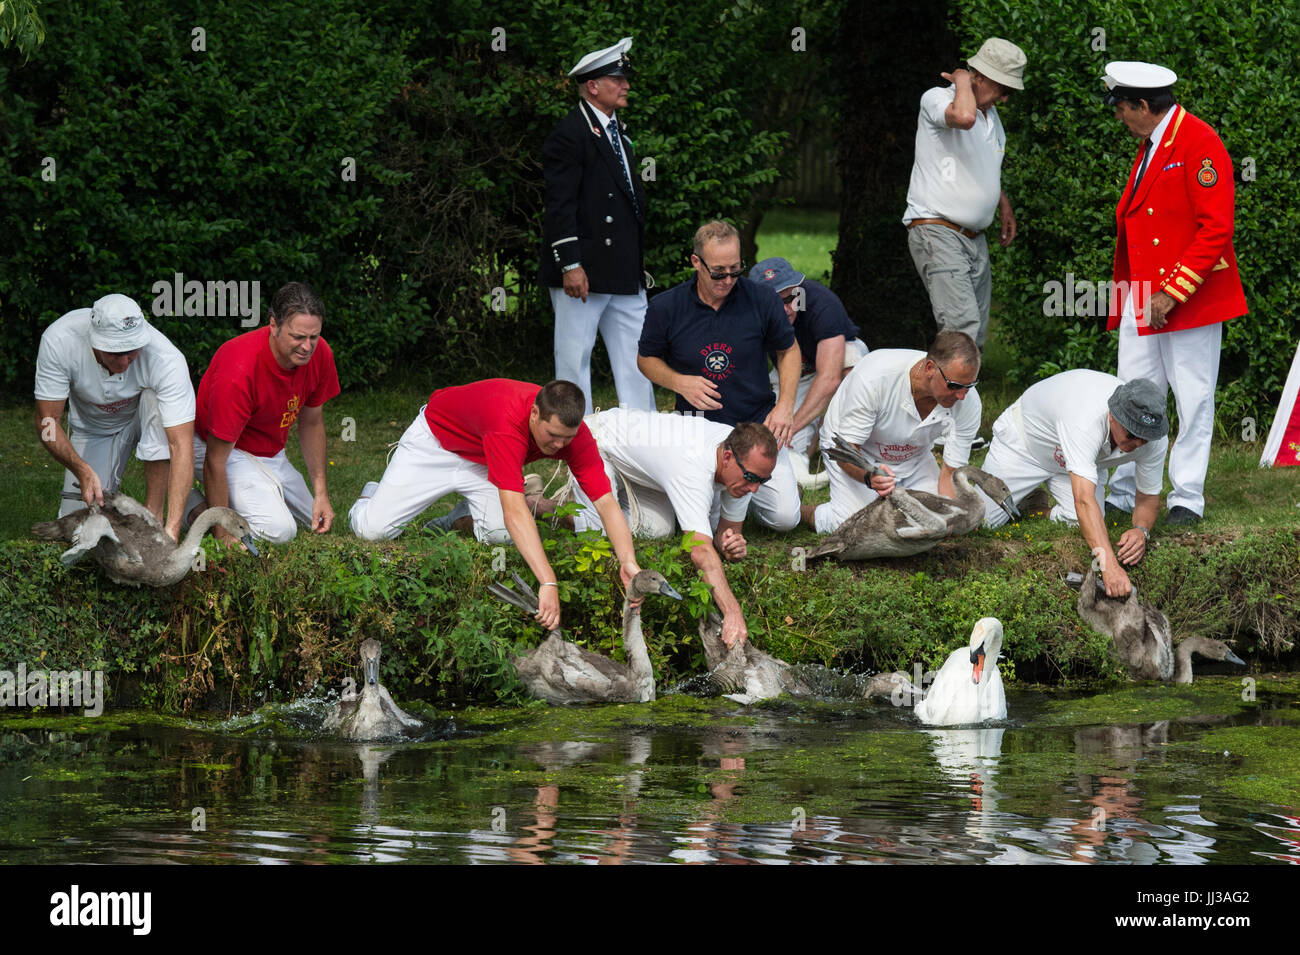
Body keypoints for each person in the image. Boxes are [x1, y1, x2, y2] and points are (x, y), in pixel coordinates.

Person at [349, 379, 641, 631]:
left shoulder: (574, 437)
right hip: (436, 444)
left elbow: (605, 502)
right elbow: (514, 511)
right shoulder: (507, 421)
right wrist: (548, 582)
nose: (559, 446)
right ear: (535, 413)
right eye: (552, 436)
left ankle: (460, 515)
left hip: (485, 460)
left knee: (500, 535)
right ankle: (371, 495)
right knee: (373, 531)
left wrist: (628, 560)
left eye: (567, 438)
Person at [1100, 61, 1248, 526]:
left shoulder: (1199, 142)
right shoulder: (1154, 143)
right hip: (1143, 295)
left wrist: (1172, 292)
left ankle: (1187, 497)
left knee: (1193, 397)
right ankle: (1125, 492)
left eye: (1122, 108)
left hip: (1186, 299)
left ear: (1143, 105)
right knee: (1130, 394)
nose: (1119, 118)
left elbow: (1216, 229)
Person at [563, 409, 777, 648]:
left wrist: (730, 545)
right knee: (598, 535)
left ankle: (595, 503)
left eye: (762, 480)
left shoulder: (744, 460)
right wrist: (732, 612)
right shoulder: (694, 466)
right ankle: (551, 508)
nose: (755, 489)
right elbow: (700, 551)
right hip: (598, 441)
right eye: (750, 478)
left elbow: (724, 535)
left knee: (657, 530)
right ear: (726, 457)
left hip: (645, 469)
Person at [637, 220, 802, 530]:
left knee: (785, 519)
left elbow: (789, 351)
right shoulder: (666, 307)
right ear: (696, 262)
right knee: (694, 525)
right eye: (718, 272)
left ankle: (753, 490)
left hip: (755, 426)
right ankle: (730, 495)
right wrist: (678, 381)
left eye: (735, 270)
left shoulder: (762, 299)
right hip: (697, 432)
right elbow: (645, 359)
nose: (728, 280)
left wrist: (785, 405)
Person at [540, 36, 655, 415]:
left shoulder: (616, 131)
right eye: (617, 79)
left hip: (622, 271)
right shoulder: (569, 134)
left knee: (639, 360)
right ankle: (577, 445)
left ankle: (645, 443)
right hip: (583, 272)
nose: (626, 85)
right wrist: (570, 264)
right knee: (574, 364)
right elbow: (560, 205)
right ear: (593, 86)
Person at [980, 372, 1168, 598]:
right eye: (1131, 434)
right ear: (1113, 417)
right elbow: (1084, 500)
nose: (1137, 444)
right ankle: (1019, 493)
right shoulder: (1085, 417)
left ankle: (1033, 506)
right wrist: (1108, 566)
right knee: (983, 522)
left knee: (1081, 524)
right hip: (1025, 446)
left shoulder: (1154, 441)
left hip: (1079, 463)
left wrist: (1141, 530)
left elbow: (1148, 497)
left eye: (1144, 438)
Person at [33, 293, 195, 541]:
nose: (125, 361)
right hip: (94, 429)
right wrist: (82, 470)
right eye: (114, 352)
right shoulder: (60, 339)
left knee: (154, 401)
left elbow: (180, 444)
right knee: (79, 531)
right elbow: (46, 422)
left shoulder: (166, 359)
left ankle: (155, 518)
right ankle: (195, 505)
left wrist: (171, 533)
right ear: (94, 341)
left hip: (146, 418)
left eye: (132, 351)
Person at [902, 37, 1026, 349]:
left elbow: (980, 166)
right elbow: (964, 118)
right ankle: (945, 396)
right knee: (961, 329)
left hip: (974, 238)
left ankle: (960, 397)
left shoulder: (992, 117)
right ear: (980, 77)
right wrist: (961, 81)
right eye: (1004, 90)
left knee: (975, 334)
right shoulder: (937, 99)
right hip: (937, 229)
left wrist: (1002, 203)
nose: (1006, 99)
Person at [192, 282, 339, 544]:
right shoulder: (239, 370)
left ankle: (255, 497)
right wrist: (223, 533)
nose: (307, 347)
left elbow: (312, 422)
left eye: (313, 337)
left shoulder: (321, 353)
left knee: (315, 520)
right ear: (273, 325)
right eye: (298, 337)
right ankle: (197, 510)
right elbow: (215, 461)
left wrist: (321, 492)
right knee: (281, 531)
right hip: (224, 448)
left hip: (270, 450)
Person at [803, 331, 982, 534]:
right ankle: (805, 512)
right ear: (930, 368)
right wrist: (869, 476)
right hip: (851, 451)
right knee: (854, 528)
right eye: (954, 386)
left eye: (969, 386)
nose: (961, 395)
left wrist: (956, 516)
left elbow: (950, 472)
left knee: (936, 522)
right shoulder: (875, 378)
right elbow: (847, 449)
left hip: (913, 454)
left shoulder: (969, 401)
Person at [748, 257, 867, 481]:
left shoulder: (821, 302)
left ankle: (848, 439)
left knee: (853, 365)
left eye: (791, 298)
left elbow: (830, 377)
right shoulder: (745, 312)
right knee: (786, 444)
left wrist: (791, 424)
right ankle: (809, 452)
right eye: (775, 303)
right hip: (792, 368)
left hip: (834, 360)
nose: (786, 309)